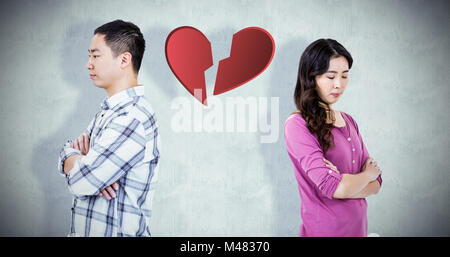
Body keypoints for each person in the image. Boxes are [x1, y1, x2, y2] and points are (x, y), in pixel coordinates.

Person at [57, 20, 160, 237]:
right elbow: (71, 153)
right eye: (89, 56)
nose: (88, 64)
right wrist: (79, 160)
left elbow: (82, 181)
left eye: (96, 55)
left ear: (124, 59)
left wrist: (87, 170)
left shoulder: (132, 117)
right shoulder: (109, 111)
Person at [284, 39, 382, 237]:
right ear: (312, 77)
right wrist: (366, 176)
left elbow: (377, 183)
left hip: (359, 230)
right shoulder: (297, 125)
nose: (339, 84)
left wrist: (349, 184)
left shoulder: (348, 121)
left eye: (345, 76)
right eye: (331, 76)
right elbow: (334, 186)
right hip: (325, 231)